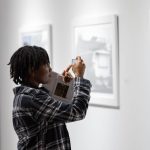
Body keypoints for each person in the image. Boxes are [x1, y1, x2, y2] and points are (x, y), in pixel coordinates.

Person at [8, 45, 92, 150]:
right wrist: (79, 77)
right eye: (47, 64)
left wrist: (62, 84)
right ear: (31, 70)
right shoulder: (32, 98)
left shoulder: (28, 95)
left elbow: (57, 105)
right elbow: (77, 111)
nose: (50, 68)